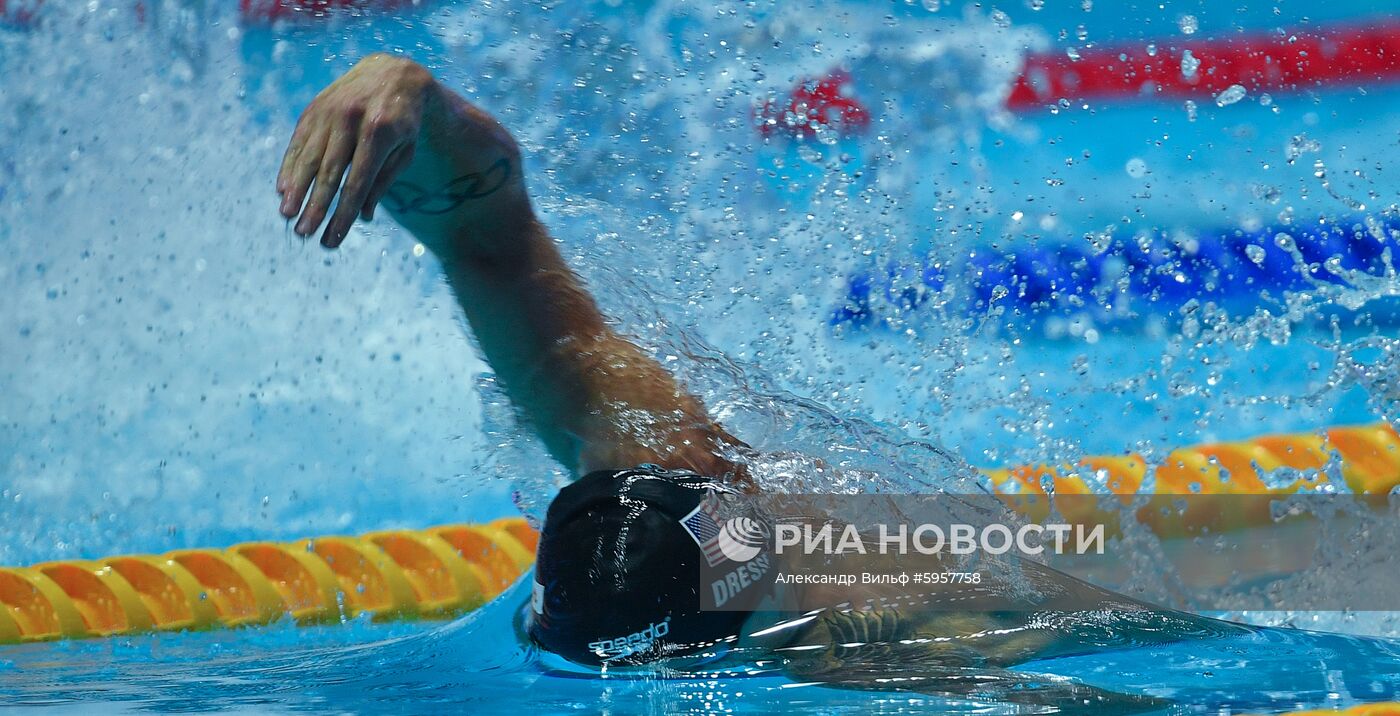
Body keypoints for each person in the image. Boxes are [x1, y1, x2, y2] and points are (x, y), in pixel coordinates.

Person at [276, 54, 1241, 712]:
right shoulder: (658, 458)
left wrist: (392, 79)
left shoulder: (911, 634)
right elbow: (486, 236)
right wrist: (407, 92)